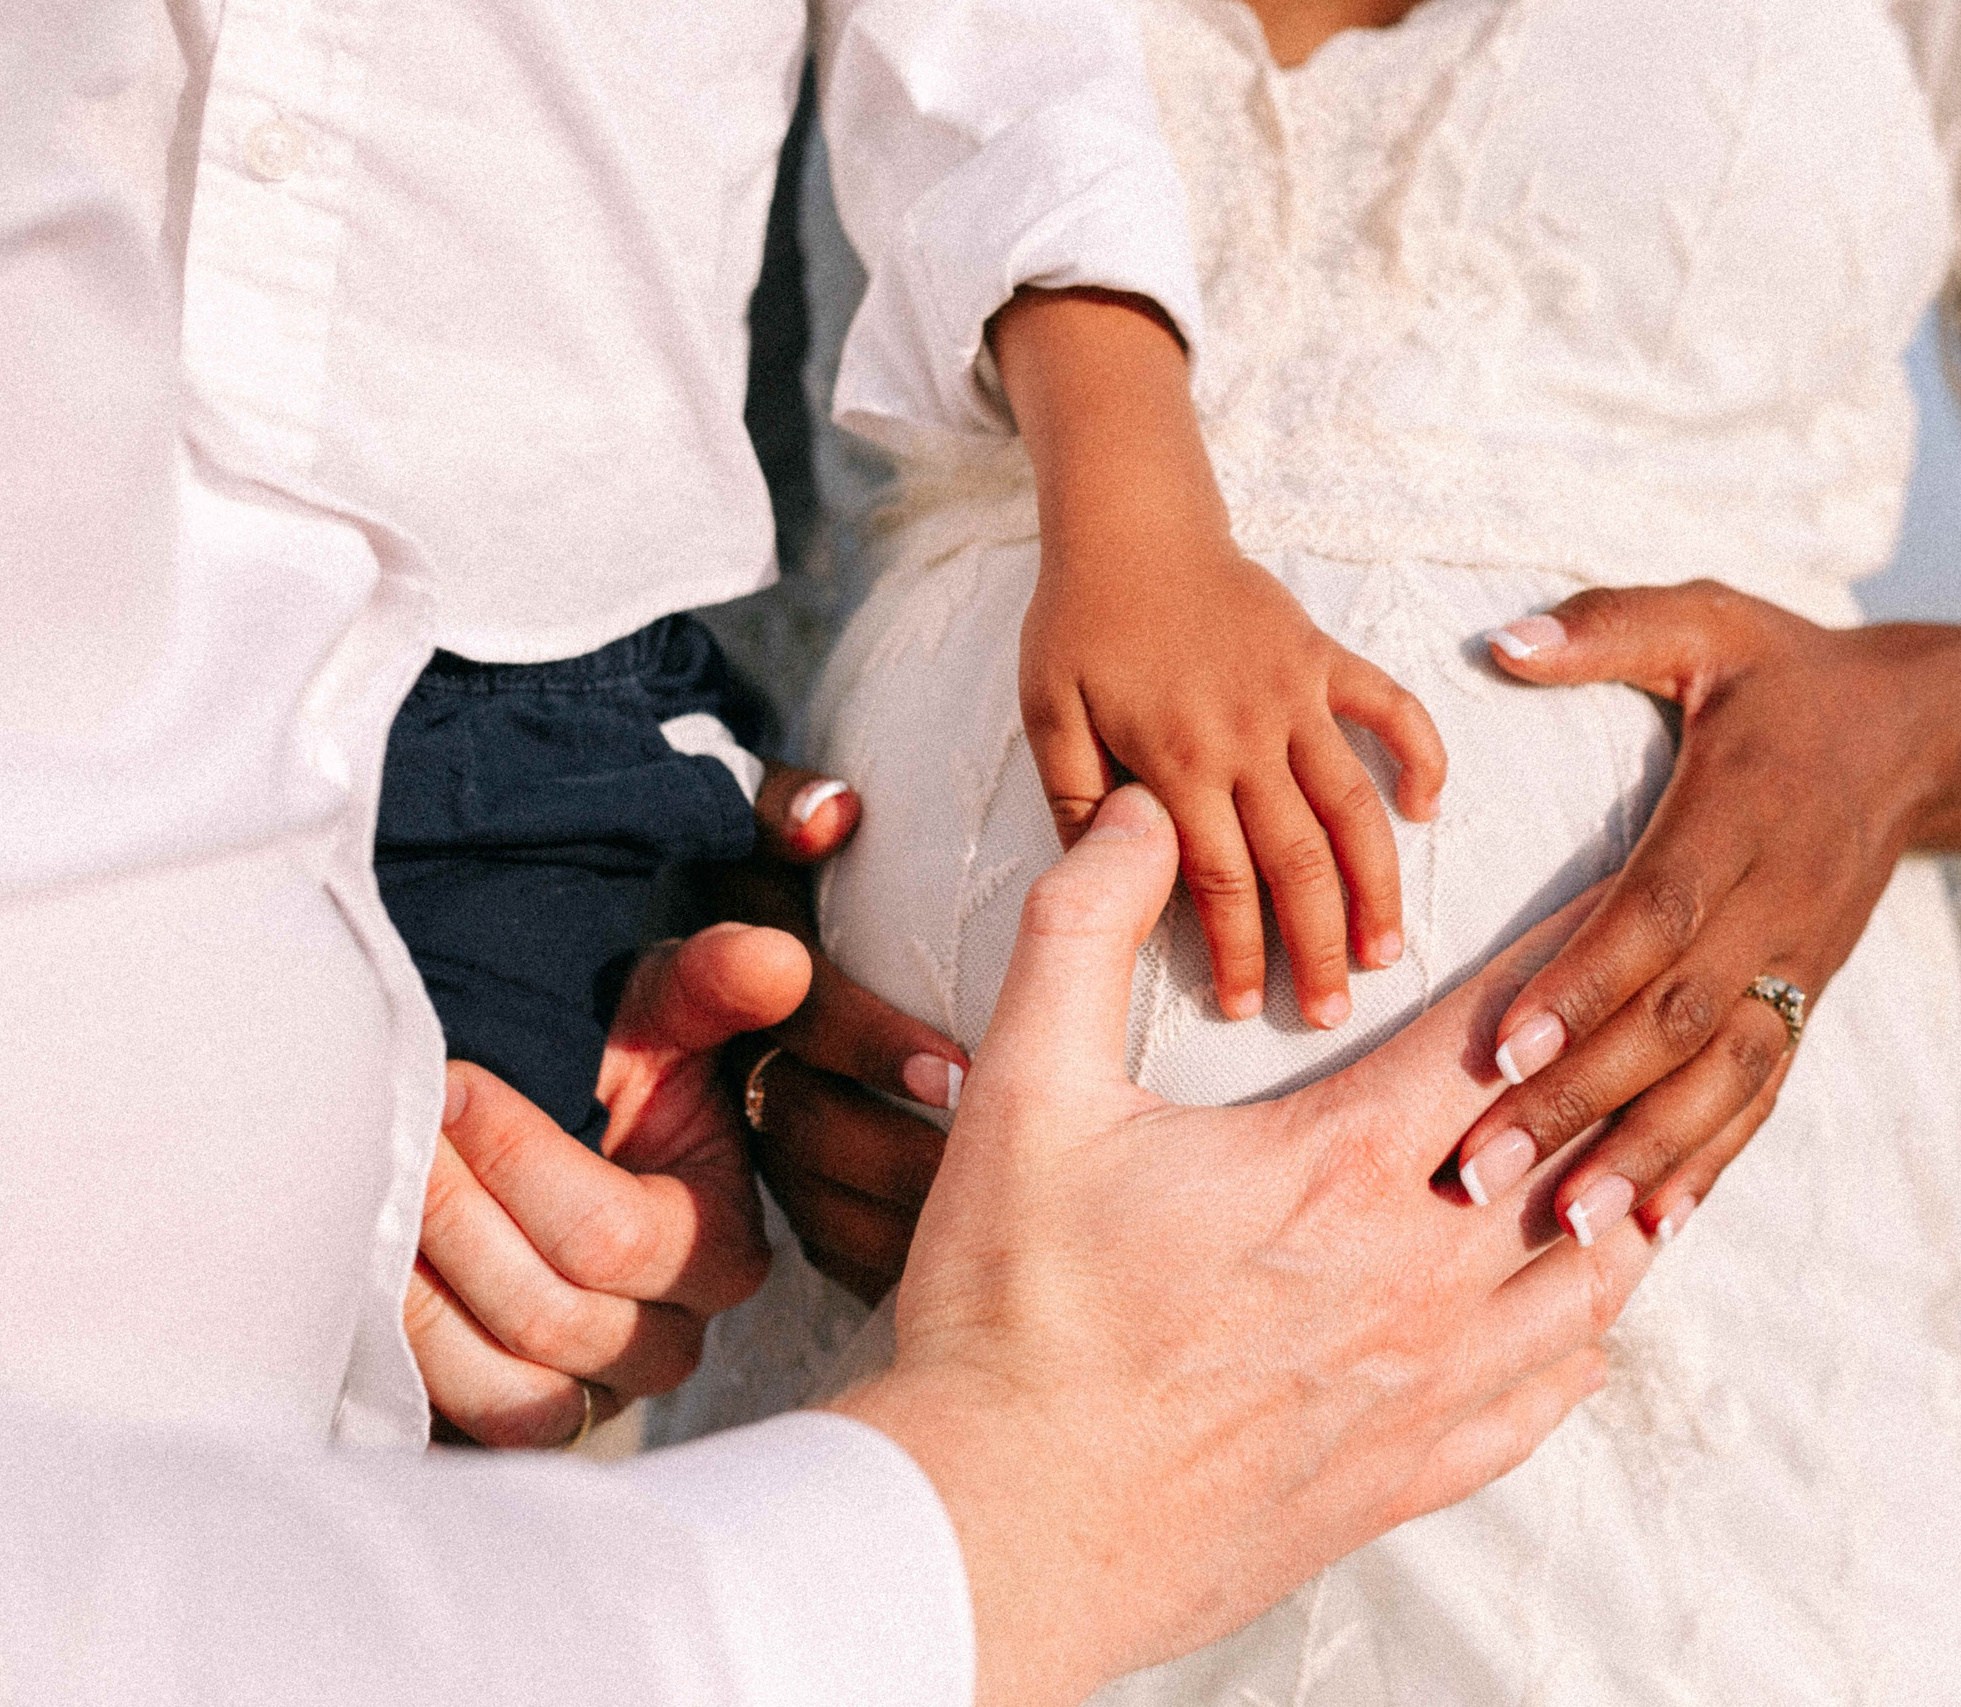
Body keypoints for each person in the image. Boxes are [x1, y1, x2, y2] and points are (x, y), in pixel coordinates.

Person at [691, 0, 1961, 1699]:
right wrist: (729, 905)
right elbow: (680, 540)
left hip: (1654, 1313)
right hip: (920, 1292)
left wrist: (1904, 737)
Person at [0, 7, 1651, 1698]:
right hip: (61, 591)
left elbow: (988, 56)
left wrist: (1139, 495)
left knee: (364, 1489)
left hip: (534, 678)